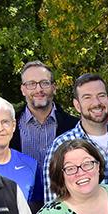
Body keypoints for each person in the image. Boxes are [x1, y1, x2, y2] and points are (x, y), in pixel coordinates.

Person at [43, 73, 108, 205]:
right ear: (77, 105)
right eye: (87, 97)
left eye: (101, 96)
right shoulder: (61, 146)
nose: (96, 103)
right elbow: (53, 205)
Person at [13, 61, 79, 202]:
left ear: (54, 87)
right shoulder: (9, 128)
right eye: (31, 84)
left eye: (44, 83)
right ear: (23, 89)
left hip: (66, 205)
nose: (39, 89)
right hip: (23, 208)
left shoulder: (74, 126)